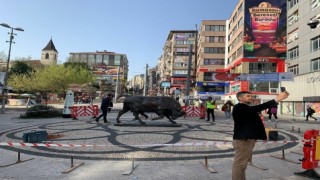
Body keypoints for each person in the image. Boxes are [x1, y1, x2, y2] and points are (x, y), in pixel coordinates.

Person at [231, 91, 289, 180]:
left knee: (243, 164)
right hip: (243, 140)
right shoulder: (239, 107)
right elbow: (260, 107)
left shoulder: (245, 108)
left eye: (251, 95)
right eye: (248, 96)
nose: (251, 97)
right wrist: (277, 99)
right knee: (240, 164)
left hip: (247, 139)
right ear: (240, 98)